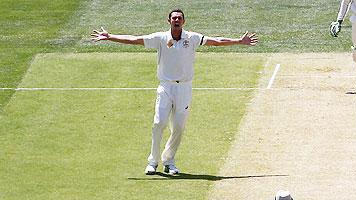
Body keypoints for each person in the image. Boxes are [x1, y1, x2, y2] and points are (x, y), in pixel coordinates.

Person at [91, 9, 257, 175]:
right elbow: (135, 40)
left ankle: (169, 161)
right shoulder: (160, 38)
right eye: (174, 18)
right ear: (168, 20)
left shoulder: (192, 38)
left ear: (183, 22)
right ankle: (153, 162)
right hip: (165, 87)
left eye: (179, 18)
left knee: (178, 127)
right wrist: (110, 36)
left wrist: (239, 41)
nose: (176, 20)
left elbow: (216, 41)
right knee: (159, 124)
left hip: (184, 88)